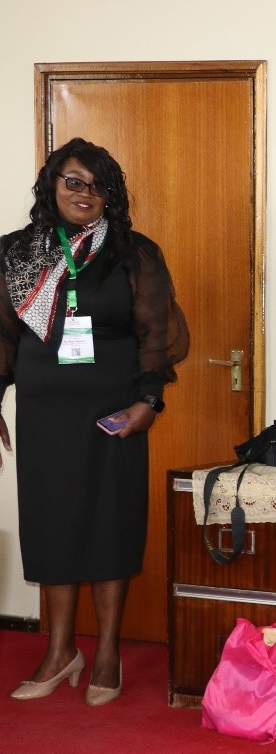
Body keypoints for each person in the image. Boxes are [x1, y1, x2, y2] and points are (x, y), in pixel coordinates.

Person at [1, 138, 188, 705]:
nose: (85, 194)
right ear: (51, 186)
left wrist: (148, 403)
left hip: (113, 411)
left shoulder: (133, 252)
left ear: (111, 194)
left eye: (97, 184)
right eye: (73, 181)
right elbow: (2, 336)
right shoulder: (16, 252)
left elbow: (157, 332)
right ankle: (60, 651)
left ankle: (106, 651)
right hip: (44, 412)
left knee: (110, 522)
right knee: (52, 522)